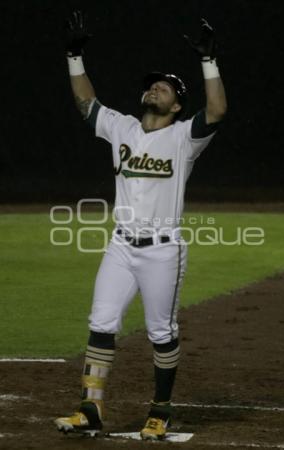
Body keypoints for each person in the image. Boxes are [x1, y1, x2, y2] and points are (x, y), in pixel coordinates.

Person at [54, 11, 227, 441]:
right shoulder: (123, 128)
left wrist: (209, 62)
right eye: (152, 84)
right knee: (101, 321)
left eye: (163, 87)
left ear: (176, 105)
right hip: (121, 246)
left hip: (162, 251)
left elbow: (218, 109)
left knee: (161, 332)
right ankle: (90, 407)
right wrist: (74, 55)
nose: (154, 88)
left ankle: (161, 410)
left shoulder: (184, 137)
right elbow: (85, 103)